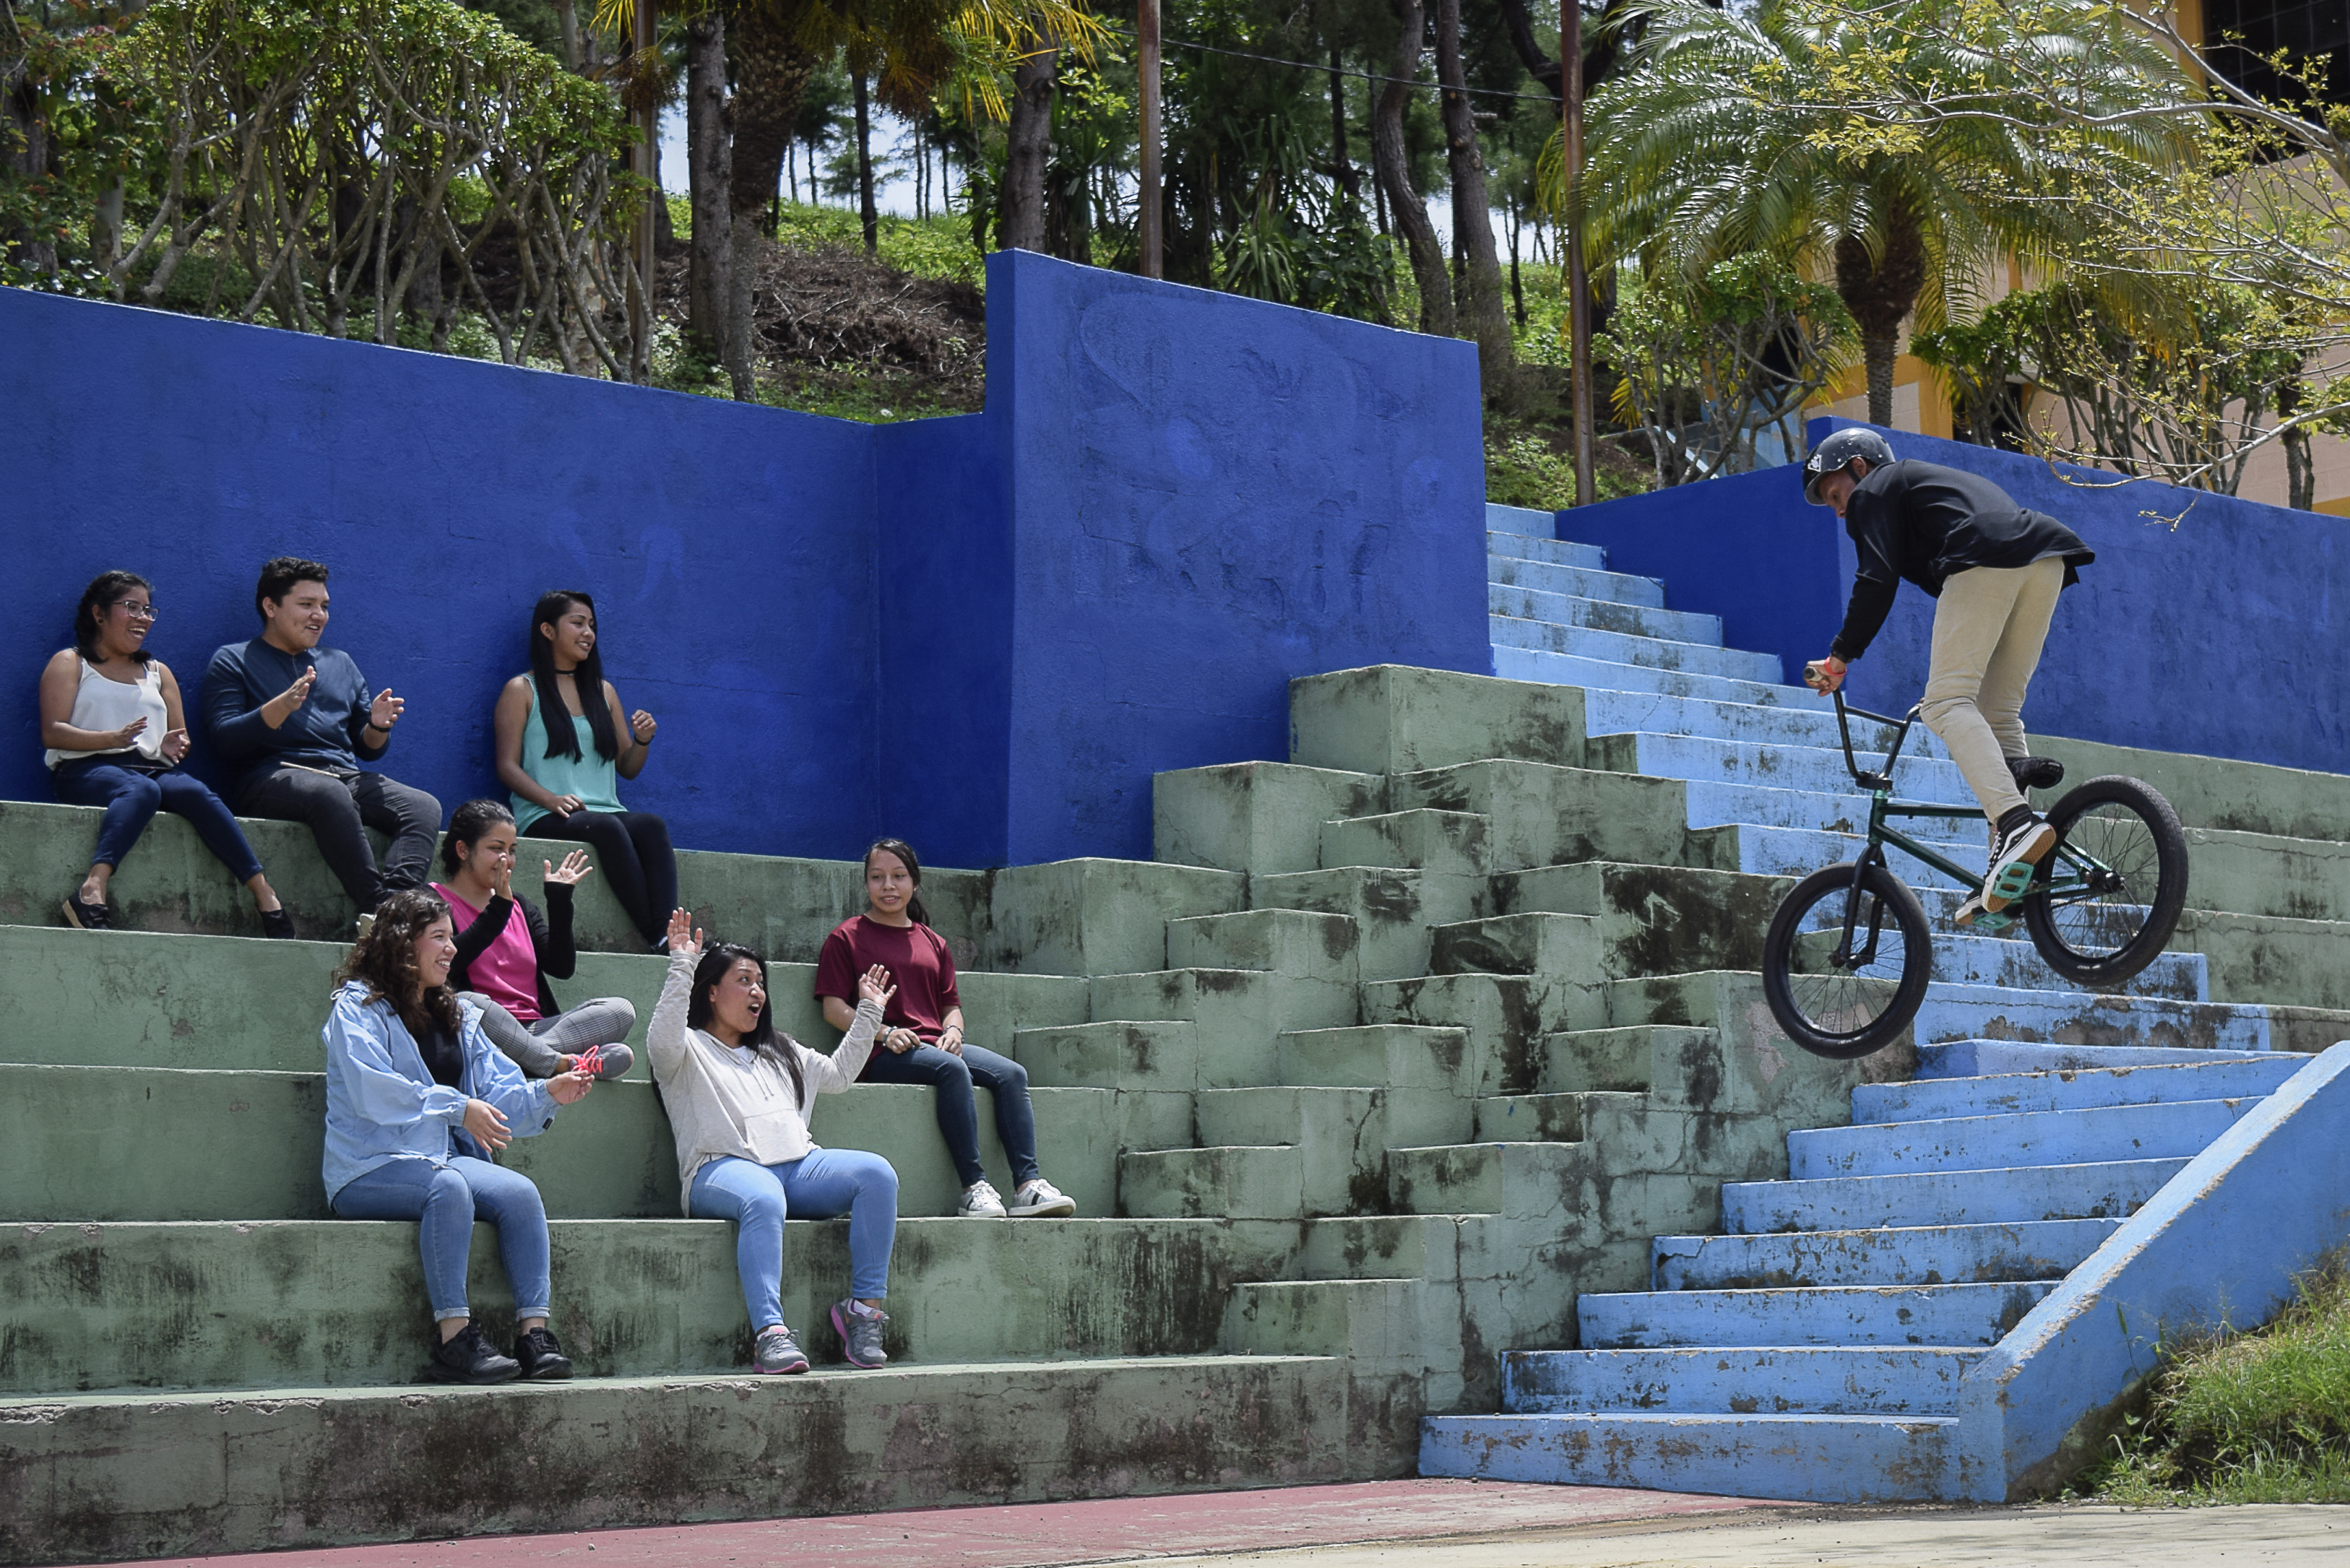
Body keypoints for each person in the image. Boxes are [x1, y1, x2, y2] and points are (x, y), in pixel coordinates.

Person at [1800, 429, 2095, 926]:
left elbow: (1875, 580)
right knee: (1997, 712)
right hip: (2043, 561)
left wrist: (1839, 657)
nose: (1839, 511)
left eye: (1834, 495)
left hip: (1986, 557)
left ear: (1858, 467)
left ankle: (2015, 822)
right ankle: (2010, 873)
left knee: (1943, 703)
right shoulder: (1920, 490)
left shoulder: (1874, 489)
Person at [321, 889, 595, 1384]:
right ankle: (454, 1339)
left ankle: (534, 1335)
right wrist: (456, 1105)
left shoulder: (459, 1015)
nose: (452, 948)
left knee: (519, 1192)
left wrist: (548, 1093)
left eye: (451, 936)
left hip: (440, 1157)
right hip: (368, 1164)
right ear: (404, 944)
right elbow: (372, 1092)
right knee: (446, 1186)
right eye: (439, 937)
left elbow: (499, 1098)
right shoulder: (356, 1008)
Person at [649, 908, 901, 1374]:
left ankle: (864, 1313)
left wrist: (869, 1011)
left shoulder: (780, 1047)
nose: (756, 991)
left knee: (876, 1174)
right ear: (712, 991)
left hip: (797, 1165)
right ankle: (772, 1334)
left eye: (760, 982)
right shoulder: (685, 1049)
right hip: (720, 1169)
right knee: (763, 1196)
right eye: (743, 981)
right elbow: (660, 1040)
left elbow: (842, 1076)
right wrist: (682, 966)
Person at [815, 839, 1076, 1221]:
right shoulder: (847, 937)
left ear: (915, 883)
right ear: (866, 884)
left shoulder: (932, 942)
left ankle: (1027, 1186)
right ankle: (974, 1188)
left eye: (899, 876)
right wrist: (883, 1033)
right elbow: (833, 1008)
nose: (888, 886)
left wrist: (954, 1031)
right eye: (878, 877)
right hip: (881, 1052)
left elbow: (950, 1007)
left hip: (933, 1044)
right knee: (952, 1070)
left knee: (1011, 1074)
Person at [40, 571, 292, 937]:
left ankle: (265, 895)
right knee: (142, 792)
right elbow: (53, 733)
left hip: (149, 768)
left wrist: (172, 746)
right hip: (85, 769)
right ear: (98, 614)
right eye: (131, 608)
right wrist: (112, 738)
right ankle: (91, 889)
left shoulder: (158, 673)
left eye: (147, 610)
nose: (143, 618)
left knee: (196, 793)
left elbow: (177, 736)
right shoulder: (72, 662)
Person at [203, 557, 441, 932]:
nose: (319, 615)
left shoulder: (340, 662)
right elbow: (225, 740)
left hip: (343, 774)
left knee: (423, 806)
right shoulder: (233, 660)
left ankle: (395, 907)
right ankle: (378, 907)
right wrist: (280, 707)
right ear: (270, 607)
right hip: (273, 776)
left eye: (324, 606)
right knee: (329, 793)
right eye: (306, 605)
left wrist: (378, 725)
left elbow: (367, 748)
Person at [493, 590, 675, 951]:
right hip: (545, 813)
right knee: (606, 827)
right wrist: (550, 799)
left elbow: (628, 768)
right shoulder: (521, 690)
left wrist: (642, 741)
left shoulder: (603, 692)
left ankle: (671, 932)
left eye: (591, 625)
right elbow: (506, 766)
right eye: (577, 623)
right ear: (547, 630)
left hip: (603, 810)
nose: (588, 632)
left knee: (651, 825)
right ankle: (656, 935)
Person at [431, 799, 638, 1083]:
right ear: (463, 850)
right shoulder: (432, 903)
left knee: (620, 1010)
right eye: (496, 849)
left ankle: (530, 1061)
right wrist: (497, 912)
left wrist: (559, 901)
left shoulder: (520, 907)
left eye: (512, 851)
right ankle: (561, 1063)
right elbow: (445, 966)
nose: (507, 859)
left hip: (540, 1030)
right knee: (469, 1003)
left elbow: (561, 968)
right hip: (480, 1031)